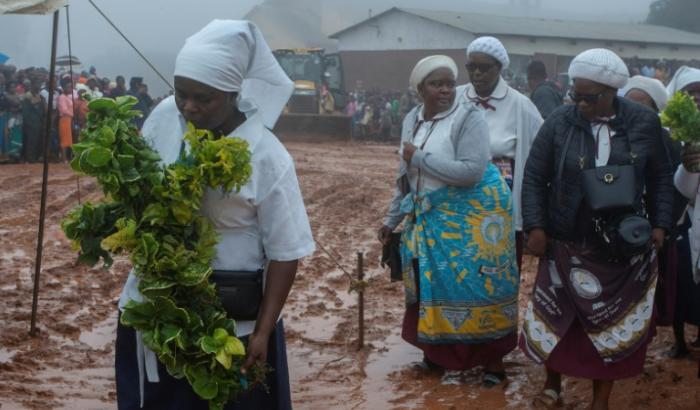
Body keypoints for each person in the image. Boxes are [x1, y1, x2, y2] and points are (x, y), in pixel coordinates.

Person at [115, 20, 315, 410]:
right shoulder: (163, 120)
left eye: (203, 98)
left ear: (232, 93)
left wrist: (262, 332)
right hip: (156, 309)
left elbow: (286, 251)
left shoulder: (267, 156)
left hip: (231, 324)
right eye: (181, 93)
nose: (189, 107)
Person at [520, 48, 674, 410]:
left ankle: (600, 399)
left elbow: (661, 178)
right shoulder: (559, 121)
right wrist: (536, 226)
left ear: (611, 93)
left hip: (621, 244)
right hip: (565, 238)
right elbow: (534, 177)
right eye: (575, 94)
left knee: (611, 324)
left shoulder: (643, 123)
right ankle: (552, 385)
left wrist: (661, 224)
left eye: (589, 97)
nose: (579, 103)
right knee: (559, 318)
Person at [378, 55, 518, 387]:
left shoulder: (469, 117)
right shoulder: (412, 118)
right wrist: (391, 218)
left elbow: (471, 172)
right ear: (419, 89)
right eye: (436, 84)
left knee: (476, 289)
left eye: (449, 84)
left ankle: (491, 364)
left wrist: (421, 158)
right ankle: (439, 358)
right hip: (428, 217)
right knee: (432, 288)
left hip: (471, 219)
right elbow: (405, 174)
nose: (445, 90)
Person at [458, 36, 543, 270]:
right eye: (471, 67)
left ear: (499, 68)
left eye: (484, 68)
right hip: (457, 200)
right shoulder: (455, 99)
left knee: (496, 271)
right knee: (459, 268)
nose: (477, 74)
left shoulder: (521, 106)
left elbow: (541, 158)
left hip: (500, 204)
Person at [624, 75, 693, 354]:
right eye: (628, 105)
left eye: (643, 106)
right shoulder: (613, 137)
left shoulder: (669, 141)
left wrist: (662, 224)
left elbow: (676, 187)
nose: (635, 112)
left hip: (658, 229)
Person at [669, 66, 700, 355]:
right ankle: (679, 342)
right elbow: (680, 189)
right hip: (679, 222)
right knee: (680, 283)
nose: (698, 99)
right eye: (691, 92)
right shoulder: (667, 134)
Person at [22, 78, 46, 163]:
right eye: (37, 83)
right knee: (30, 142)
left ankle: (35, 158)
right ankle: (29, 158)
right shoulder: (28, 96)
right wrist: (28, 123)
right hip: (31, 123)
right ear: (32, 84)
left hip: (39, 122)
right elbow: (25, 112)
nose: (38, 86)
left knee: (37, 141)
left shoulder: (39, 96)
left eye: (39, 83)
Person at [56, 77, 74, 162]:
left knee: (69, 139)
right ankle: (64, 158)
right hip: (64, 119)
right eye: (69, 87)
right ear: (63, 88)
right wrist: (72, 114)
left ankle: (66, 157)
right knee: (64, 139)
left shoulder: (68, 97)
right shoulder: (62, 97)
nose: (70, 89)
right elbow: (63, 110)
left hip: (69, 119)